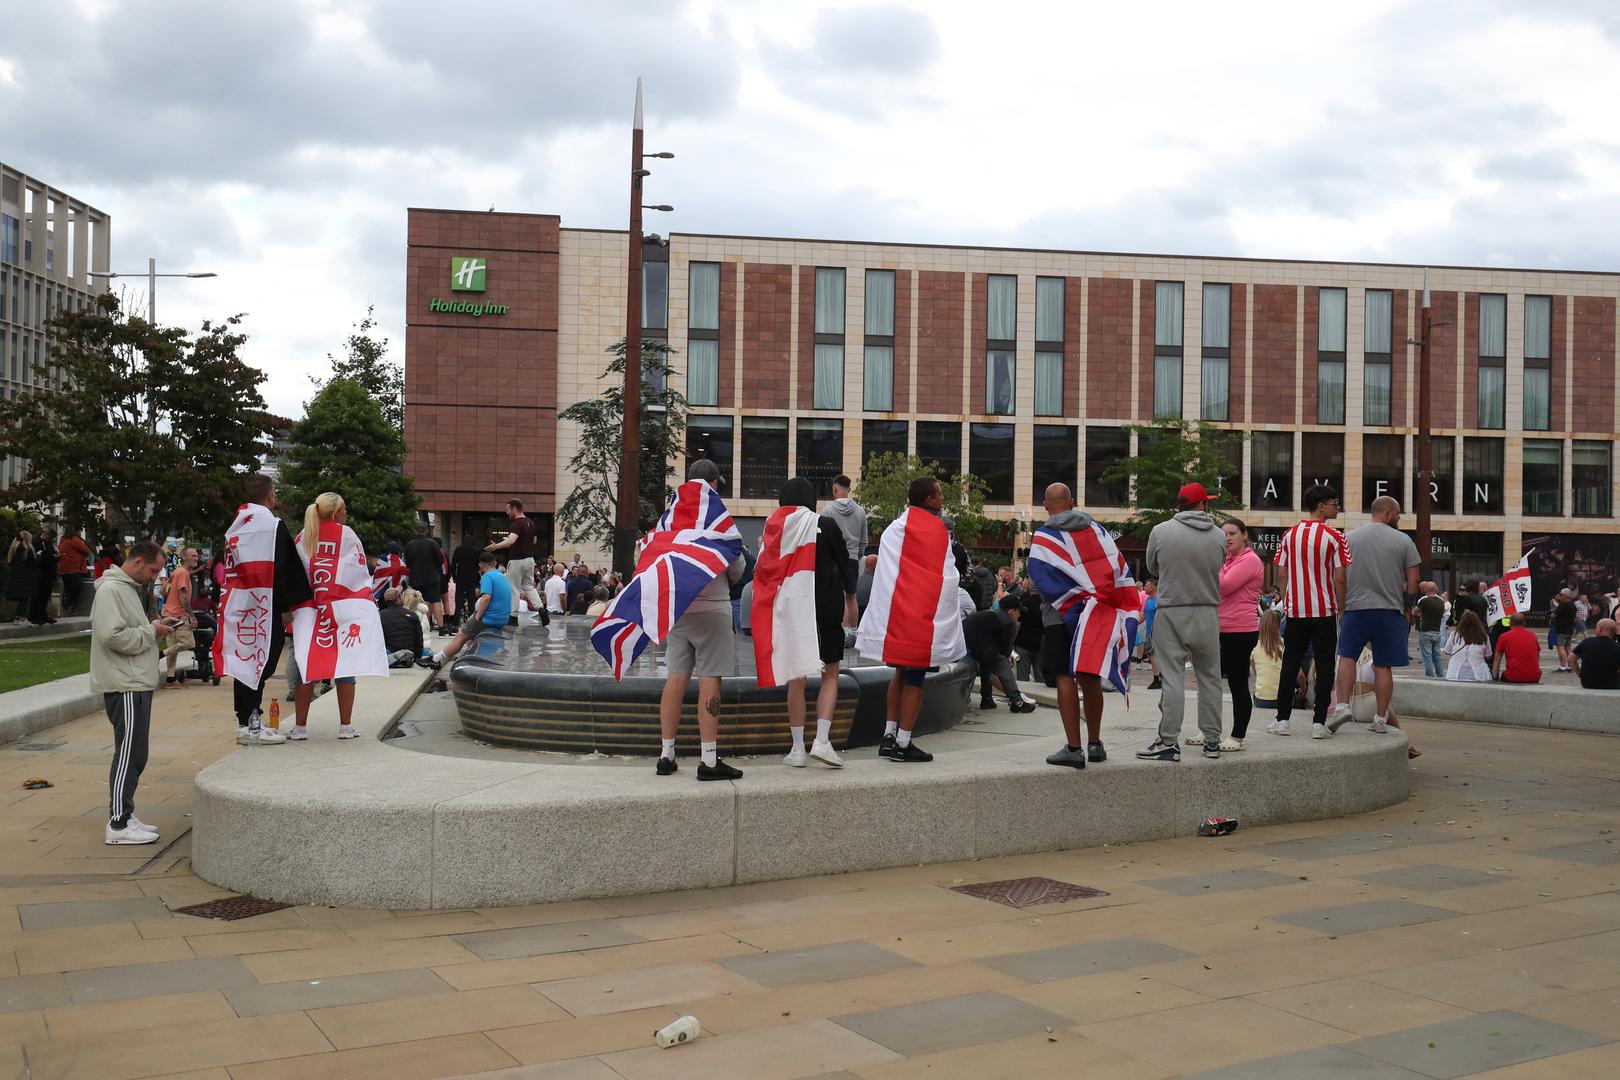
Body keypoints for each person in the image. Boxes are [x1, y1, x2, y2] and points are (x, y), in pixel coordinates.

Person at [857, 476, 968, 763]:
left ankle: (889, 734)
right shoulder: (937, 530)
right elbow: (946, 576)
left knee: (900, 674)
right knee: (915, 677)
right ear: (929, 500)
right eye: (940, 495)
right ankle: (904, 742)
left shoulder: (895, 527)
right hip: (921, 616)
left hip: (897, 615)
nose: (942, 500)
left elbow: (888, 573)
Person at [652, 460, 747, 779]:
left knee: (675, 677)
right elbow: (736, 568)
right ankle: (708, 760)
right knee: (710, 680)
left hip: (680, 609)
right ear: (715, 484)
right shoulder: (718, 517)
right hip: (714, 608)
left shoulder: (671, 516)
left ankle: (666, 754)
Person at [752, 477, 848, 768]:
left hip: (794, 615)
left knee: (797, 680)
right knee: (830, 675)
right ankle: (821, 740)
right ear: (812, 500)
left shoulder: (772, 530)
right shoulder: (826, 525)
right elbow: (846, 565)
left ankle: (797, 750)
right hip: (826, 611)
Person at [220, 474, 314, 745]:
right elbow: (286, 569)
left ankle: (243, 722)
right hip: (263, 605)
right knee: (263, 662)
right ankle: (252, 723)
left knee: (244, 662)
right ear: (270, 495)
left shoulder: (235, 526)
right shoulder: (273, 526)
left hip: (240, 604)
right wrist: (294, 604)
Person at [89, 540, 172, 845]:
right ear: (138, 562)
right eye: (153, 569)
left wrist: (152, 628)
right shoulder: (112, 590)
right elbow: (112, 635)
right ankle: (119, 823)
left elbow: (123, 631)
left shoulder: (124, 588)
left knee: (135, 752)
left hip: (133, 680)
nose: (154, 576)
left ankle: (123, 813)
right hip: (125, 682)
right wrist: (152, 631)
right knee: (129, 752)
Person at [287, 493, 388, 739]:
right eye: (344, 509)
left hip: (310, 611)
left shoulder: (304, 535)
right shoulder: (348, 535)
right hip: (342, 608)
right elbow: (359, 571)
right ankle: (345, 726)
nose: (346, 514)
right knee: (345, 665)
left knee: (306, 666)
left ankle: (300, 727)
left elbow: (296, 573)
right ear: (336, 512)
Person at [1138, 482, 1226, 762]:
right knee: (1210, 677)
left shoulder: (1161, 531)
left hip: (1171, 609)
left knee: (1173, 677)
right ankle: (1212, 740)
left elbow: (1153, 567)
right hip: (1207, 611)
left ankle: (1168, 742)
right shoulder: (1219, 535)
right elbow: (1219, 565)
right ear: (1202, 504)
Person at [1329, 496, 1421, 736]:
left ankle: (1341, 707)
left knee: (1347, 657)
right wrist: (1407, 607)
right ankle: (1380, 718)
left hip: (1355, 608)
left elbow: (1338, 577)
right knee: (1383, 665)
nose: (1399, 518)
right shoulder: (1404, 541)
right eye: (1398, 514)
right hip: (1390, 610)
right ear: (1389, 513)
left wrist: (1341, 606)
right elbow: (1414, 580)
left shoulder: (1349, 538)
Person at [1267, 484, 1350, 739]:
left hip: (1296, 610)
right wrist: (1341, 608)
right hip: (1324, 610)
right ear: (1322, 505)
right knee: (1325, 666)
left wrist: (1287, 598)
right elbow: (1340, 579)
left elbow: (1282, 572)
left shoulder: (1289, 535)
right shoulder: (1336, 537)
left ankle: (1282, 720)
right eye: (1335, 503)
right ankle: (1318, 723)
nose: (1338, 508)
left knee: (1290, 664)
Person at [1210, 518, 1263, 751]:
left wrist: (1213, 566)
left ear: (1244, 535)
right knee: (1209, 681)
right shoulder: (1226, 560)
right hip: (1218, 628)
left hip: (1240, 630)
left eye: (1232, 533)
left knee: (1237, 684)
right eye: (1224, 534)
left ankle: (1238, 736)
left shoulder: (1250, 560)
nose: (1228, 538)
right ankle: (1208, 729)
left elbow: (1222, 586)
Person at [427, 552, 513, 668]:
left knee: (461, 636)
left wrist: (477, 617)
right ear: (495, 564)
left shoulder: (487, 576)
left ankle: (435, 660)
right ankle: (463, 654)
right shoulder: (501, 576)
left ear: (480, 565)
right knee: (469, 628)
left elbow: (486, 597)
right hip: (502, 618)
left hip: (490, 618)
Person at [964, 599, 1039, 713]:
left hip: (967, 643)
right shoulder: (1008, 621)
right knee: (1003, 666)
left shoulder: (991, 614)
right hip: (978, 644)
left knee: (987, 667)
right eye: (1018, 611)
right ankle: (1017, 701)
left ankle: (987, 699)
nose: (1019, 615)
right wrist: (1007, 656)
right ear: (1011, 611)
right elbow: (1006, 647)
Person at [485, 499, 545, 624]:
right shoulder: (530, 523)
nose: (506, 512)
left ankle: (513, 617)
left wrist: (496, 546)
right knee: (528, 586)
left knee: (514, 588)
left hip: (517, 560)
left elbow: (511, 541)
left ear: (514, 509)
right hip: (530, 560)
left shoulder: (517, 523)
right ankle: (541, 610)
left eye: (508, 509)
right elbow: (534, 541)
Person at [827, 475, 867, 629]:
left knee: (840, 597)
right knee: (852, 596)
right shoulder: (860, 512)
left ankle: (842, 632)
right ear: (849, 490)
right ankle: (854, 631)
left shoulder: (828, 511)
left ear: (835, 489)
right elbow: (864, 540)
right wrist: (857, 555)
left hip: (834, 560)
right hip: (852, 558)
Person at [160, 547, 200, 687]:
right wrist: (192, 616)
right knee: (188, 643)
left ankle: (170, 680)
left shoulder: (176, 572)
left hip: (168, 613)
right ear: (184, 558)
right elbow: (183, 597)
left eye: (196, 555)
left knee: (173, 648)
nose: (196, 557)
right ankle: (159, 655)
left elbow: (162, 590)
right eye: (192, 555)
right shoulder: (183, 573)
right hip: (178, 615)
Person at [403, 522, 447, 632]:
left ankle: (418, 626)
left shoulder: (409, 545)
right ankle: (441, 628)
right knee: (435, 601)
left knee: (416, 602)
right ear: (426, 530)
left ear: (415, 530)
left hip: (415, 577)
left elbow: (407, 562)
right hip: (432, 576)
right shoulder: (433, 544)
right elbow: (440, 560)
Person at [1492, 611, 1542, 685]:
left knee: (1505, 675)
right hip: (1534, 677)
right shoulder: (1533, 636)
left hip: (1512, 676)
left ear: (1509, 623)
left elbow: (1497, 658)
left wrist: (1495, 677)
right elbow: (1537, 656)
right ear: (1524, 623)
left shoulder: (1504, 636)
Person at [379, 587, 426, 667]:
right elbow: (419, 640)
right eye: (401, 595)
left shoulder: (380, 616)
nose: (403, 597)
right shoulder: (412, 614)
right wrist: (417, 658)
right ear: (398, 599)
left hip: (389, 656)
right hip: (410, 656)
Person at [1444, 610, 1493, 681]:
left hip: (1454, 674)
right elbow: (1488, 656)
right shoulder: (1484, 637)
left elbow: (1447, 651)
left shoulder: (1454, 635)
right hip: (1479, 675)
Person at [448, 532, 483, 631]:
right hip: (472, 578)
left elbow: (453, 565)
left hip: (461, 578)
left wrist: (454, 577)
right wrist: (477, 579)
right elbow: (478, 565)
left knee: (458, 601)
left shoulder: (458, 550)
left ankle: (455, 624)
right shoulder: (476, 551)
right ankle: (472, 624)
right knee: (471, 601)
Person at [1251, 608, 1285, 711]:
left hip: (1260, 700)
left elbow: (1256, 672)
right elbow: (1299, 676)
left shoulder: (1255, 647)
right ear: (1278, 626)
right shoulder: (1283, 645)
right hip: (1280, 700)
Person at [1573, 618, 1620, 690]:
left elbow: (1571, 659)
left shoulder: (1587, 642)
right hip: (1612, 684)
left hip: (1588, 683)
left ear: (1599, 629)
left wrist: (1580, 674)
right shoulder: (1617, 647)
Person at [1412, 581, 1447, 678]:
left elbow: (1414, 612)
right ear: (1436, 589)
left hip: (1426, 631)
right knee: (1437, 655)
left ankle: (1430, 675)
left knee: (1427, 655)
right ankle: (1440, 674)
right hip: (1437, 631)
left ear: (1426, 590)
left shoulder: (1424, 601)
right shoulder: (1441, 601)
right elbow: (1442, 613)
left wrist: (1421, 614)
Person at [57, 526, 92, 614]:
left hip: (64, 569)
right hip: (74, 568)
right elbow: (86, 550)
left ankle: (67, 603)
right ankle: (70, 604)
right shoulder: (74, 540)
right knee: (77, 588)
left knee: (68, 588)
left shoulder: (63, 540)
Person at [6, 529, 36, 624]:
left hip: (16, 577)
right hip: (26, 577)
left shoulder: (14, 550)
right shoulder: (27, 550)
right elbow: (33, 563)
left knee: (21, 599)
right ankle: (22, 618)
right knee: (25, 598)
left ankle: (17, 617)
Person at [30, 526, 58, 625]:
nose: (51, 540)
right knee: (38, 596)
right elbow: (39, 557)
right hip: (41, 573)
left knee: (45, 596)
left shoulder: (48, 543)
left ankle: (43, 615)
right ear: (45, 534)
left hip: (49, 573)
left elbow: (51, 553)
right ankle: (35, 616)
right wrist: (51, 556)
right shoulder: (36, 542)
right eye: (50, 537)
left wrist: (56, 557)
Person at [1141, 579, 1161, 689]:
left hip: (1157, 633)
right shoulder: (1148, 600)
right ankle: (1158, 678)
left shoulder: (1159, 600)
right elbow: (1143, 615)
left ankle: (1157, 679)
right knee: (1151, 655)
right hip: (1149, 633)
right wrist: (1132, 623)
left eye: (1146, 586)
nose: (1144, 588)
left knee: (1154, 655)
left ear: (1153, 586)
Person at [1552, 590, 1577, 672]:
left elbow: (1554, 615)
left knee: (1561, 647)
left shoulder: (1563, 605)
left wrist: (1556, 605)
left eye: (1561, 595)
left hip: (1562, 629)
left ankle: (1562, 667)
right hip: (1570, 629)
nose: (1560, 596)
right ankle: (1570, 666)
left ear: (1566, 596)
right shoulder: (1573, 605)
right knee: (1568, 648)